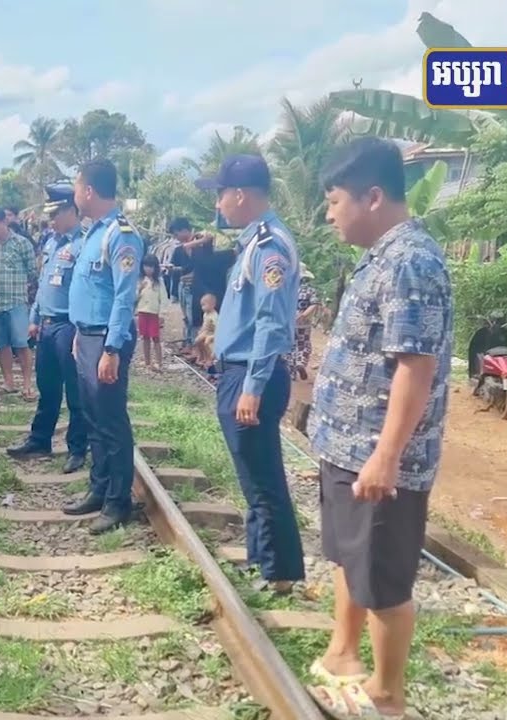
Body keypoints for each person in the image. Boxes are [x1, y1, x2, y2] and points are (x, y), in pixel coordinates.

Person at [307, 138, 452, 720]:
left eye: (335, 200)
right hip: (345, 446)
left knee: (385, 581)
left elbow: (416, 366)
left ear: (371, 197)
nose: (329, 212)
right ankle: (343, 654)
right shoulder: (382, 255)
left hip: (376, 458)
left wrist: (387, 456)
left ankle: (388, 692)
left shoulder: (411, 261)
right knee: (349, 557)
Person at [196, 154, 305, 591]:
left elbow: (272, 322)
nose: (218, 205)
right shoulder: (252, 244)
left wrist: (253, 387)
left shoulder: (269, 248)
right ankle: (263, 558)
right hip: (238, 372)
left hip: (250, 375)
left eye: (220, 195)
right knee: (252, 473)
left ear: (239, 195)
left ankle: (280, 573)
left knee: (263, 477)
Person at [63, 159, 143, 535]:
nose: (75, 194)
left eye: (77, 187)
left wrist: (111, 349)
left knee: (111, 422)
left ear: (89, 191)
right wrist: (80, 332)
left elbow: (125, 297)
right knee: (93, 418)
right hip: (88, 336)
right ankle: (99, 487)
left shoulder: (120, 234)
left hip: (107, 341)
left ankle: (118, 501)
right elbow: (92, 292)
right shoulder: (93, 232)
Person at [6, 182, 88, 474]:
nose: (51, 220)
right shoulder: (52, 243)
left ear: (70, 210)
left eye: (56, 214)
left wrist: (79, 330)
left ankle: (77, 447)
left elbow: (82, 292)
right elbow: (43, 286)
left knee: (75, 392)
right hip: (47, 325)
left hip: (68, 326)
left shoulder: (83, 245)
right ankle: (40, 439)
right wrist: (34, 317)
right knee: (48, 387)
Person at [0, 207, 40, 397]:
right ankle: (8, 382)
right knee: (1, 344)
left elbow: (32, 273)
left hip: (16, 302)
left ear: (4, 222)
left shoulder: (22, 244)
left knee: (22, 344)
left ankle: (27, 384)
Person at [167, 218, 198, 354]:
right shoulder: (178, 250)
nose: (175, 237)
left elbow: (203, 265)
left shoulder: (199, 244)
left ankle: (194, 345)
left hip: (194, 286)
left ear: (184, 230)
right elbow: (175, 267)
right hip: (182, 285)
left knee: (193, 317)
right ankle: (188, 342)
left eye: (176, 234)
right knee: (186, 316)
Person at [136, 254, 166, 372]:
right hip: (142, 311)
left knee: (156, 337)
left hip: (154, 313)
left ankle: (159, 362)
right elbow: (134, 298)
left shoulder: (159, 282)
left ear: (155, 268)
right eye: (146, 266)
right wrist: (140, 289)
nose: (148, 269)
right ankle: (147, 361)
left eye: (151, 267)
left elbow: (163, 298)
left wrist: (162, 314)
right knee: (145, 337)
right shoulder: (139, 280)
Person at [292, 264, 322, 381]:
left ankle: (291, 372)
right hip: (303, 323)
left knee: (290, 346)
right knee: (303, 344)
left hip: (289, 322)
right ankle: (301, 362)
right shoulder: (310, 290)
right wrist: (304, 315)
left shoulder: (289, 288)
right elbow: (314, 304)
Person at [194, 293, 220, 372]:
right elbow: (204, 325)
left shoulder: (214, 315)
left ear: (212, 305)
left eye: (204, 305)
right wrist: (201, 331)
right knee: (197, 340)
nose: (202, 308)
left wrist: (213, 336)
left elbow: (218, 328)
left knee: (207, 342)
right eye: (202, 305)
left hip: (213, 333)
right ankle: (201, 356)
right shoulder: (205, 314)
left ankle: (209, 359)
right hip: (206, 331)